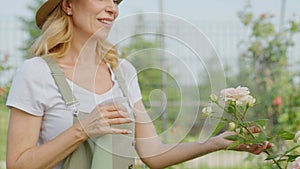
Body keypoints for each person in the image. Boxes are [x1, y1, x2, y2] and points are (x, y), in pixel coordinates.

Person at [6, 0, 272, 169]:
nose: (113, 8)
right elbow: (17, 164)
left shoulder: (123, 72)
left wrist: (217, 143)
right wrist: (82, 130)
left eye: (115, 0)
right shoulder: (36, 73)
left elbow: (153, 153)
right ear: (68, 5)